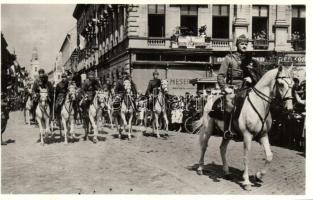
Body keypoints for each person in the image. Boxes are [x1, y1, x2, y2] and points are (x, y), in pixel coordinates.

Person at [215, 34, 263, 139]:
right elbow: (220, 75)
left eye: (246, 44)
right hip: (233, 88)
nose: (244, 46)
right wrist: (224, 88)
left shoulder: (251, 60)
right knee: (229, 101)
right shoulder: (229, 58)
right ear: (237, 45)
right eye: (242, 44)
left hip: (247, 87)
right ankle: (227, 130)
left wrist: (252, 79)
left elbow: (259, 76)